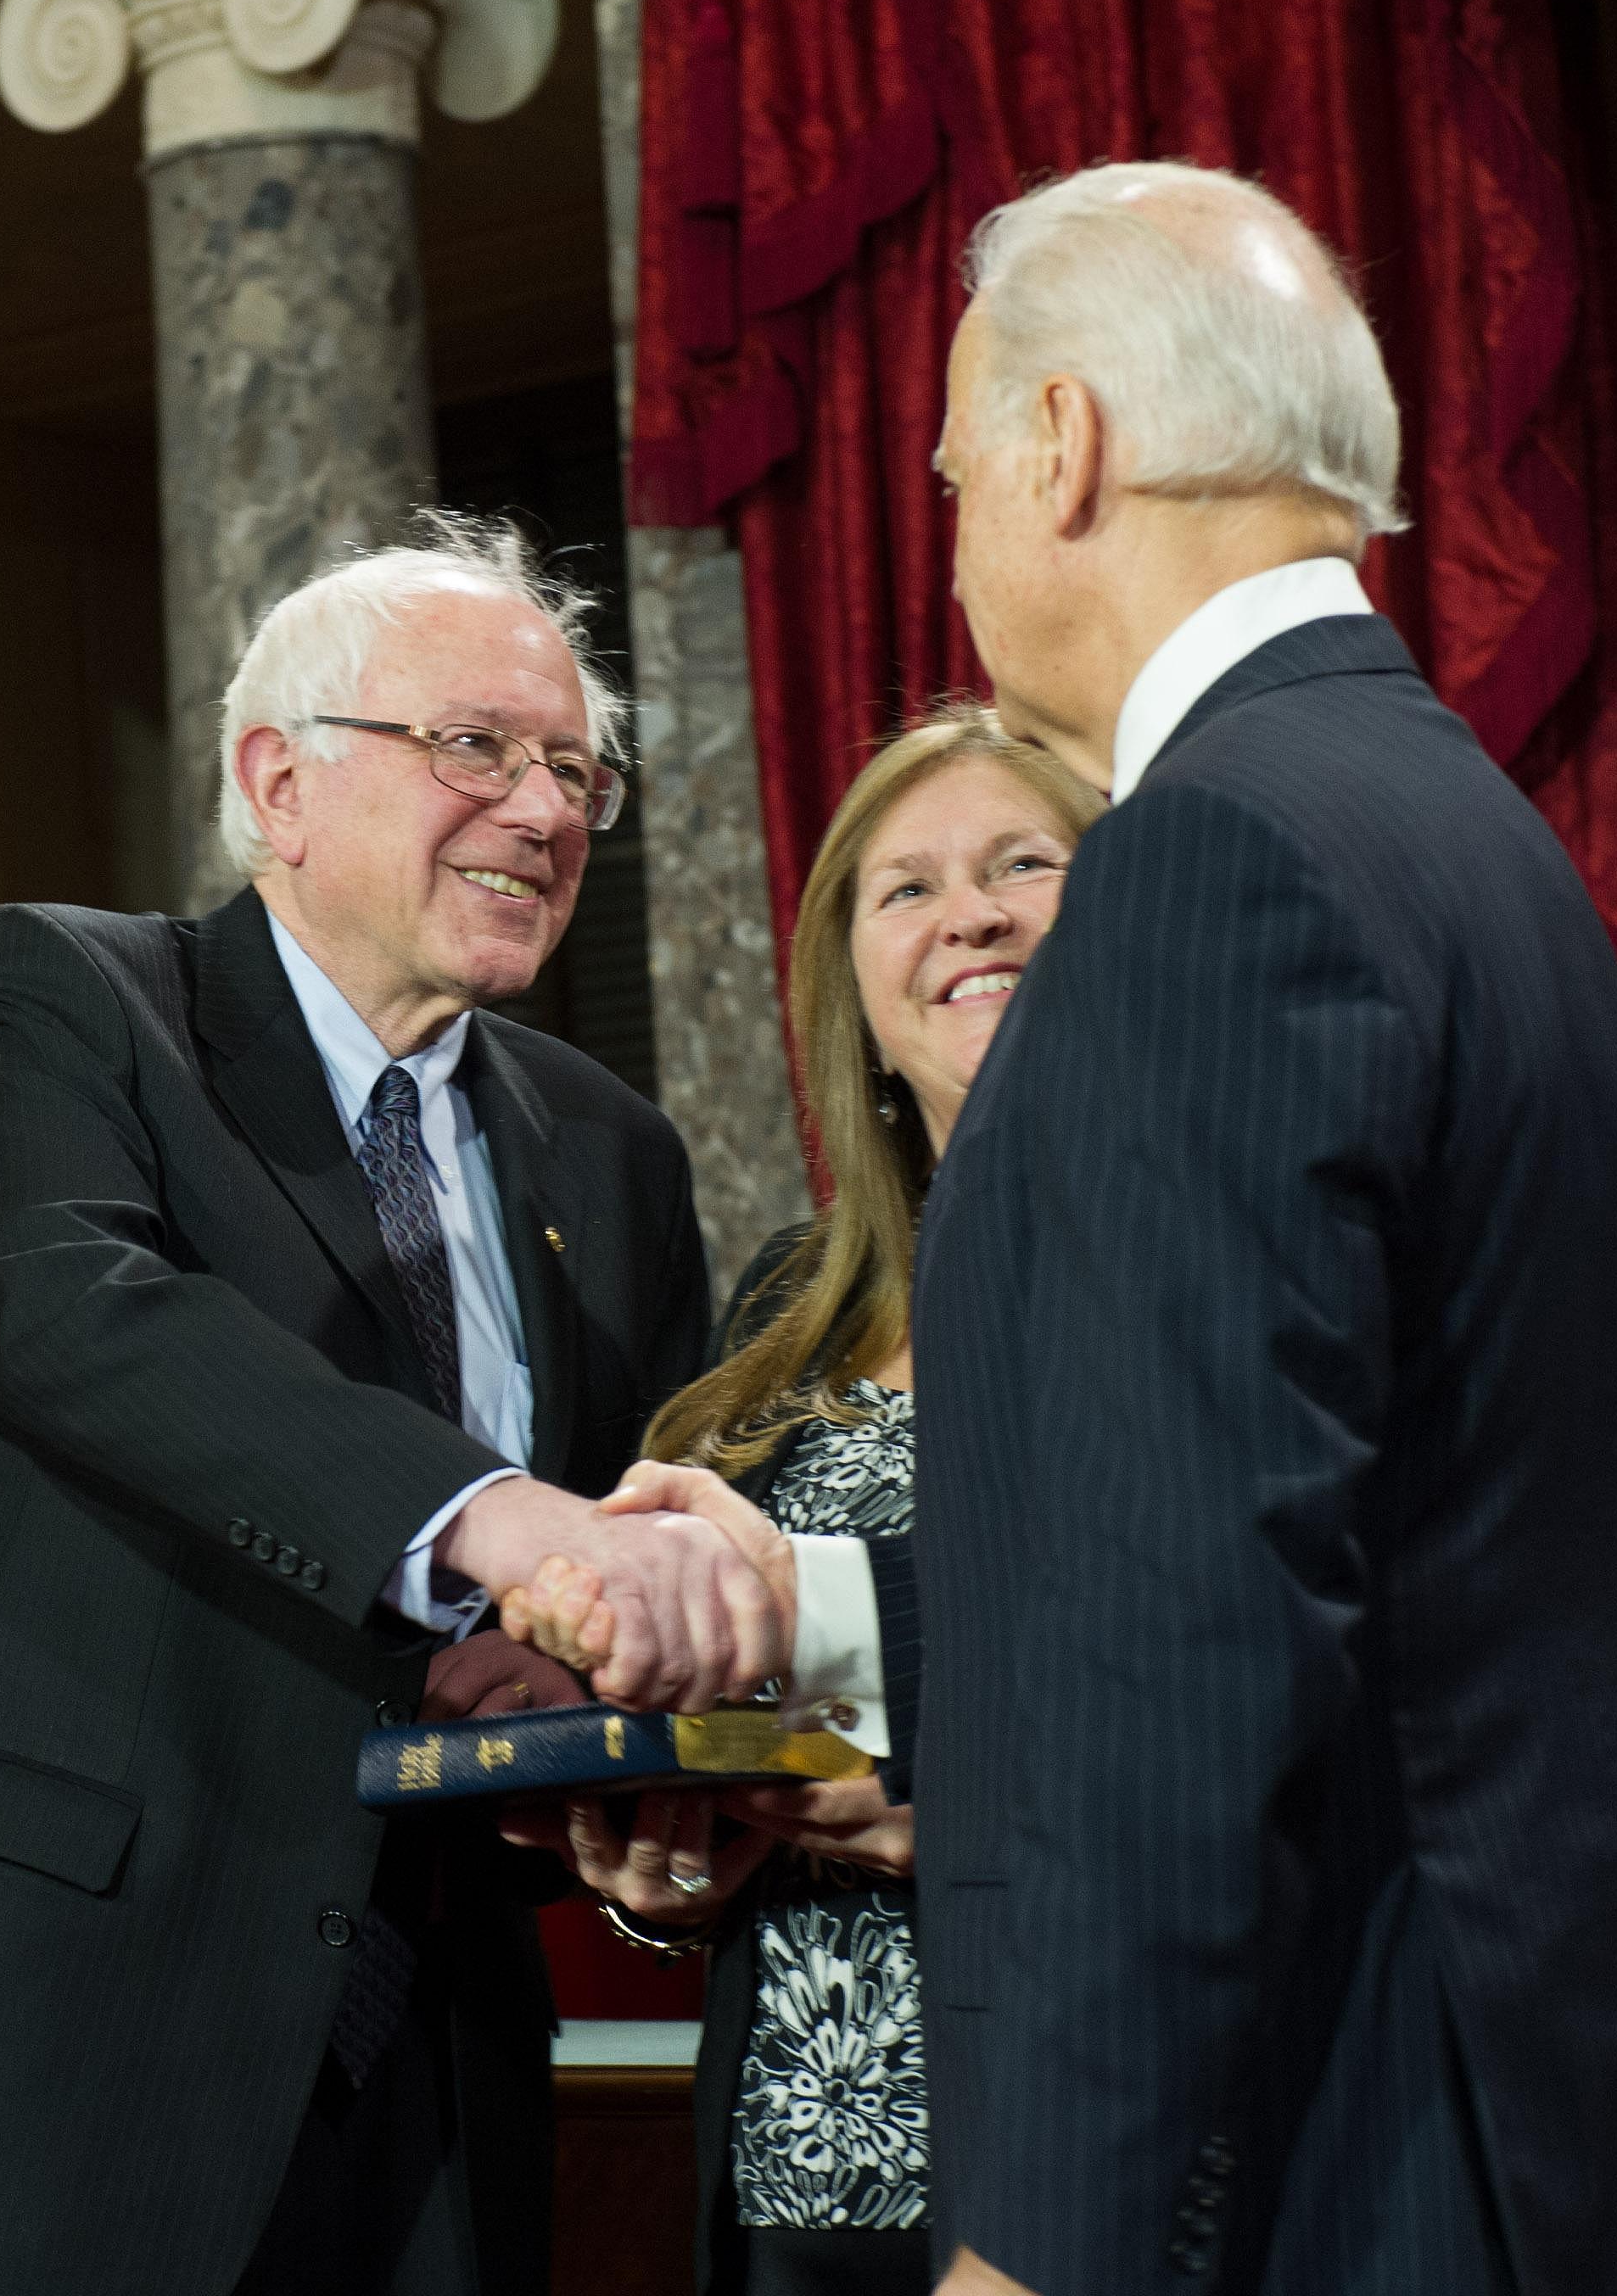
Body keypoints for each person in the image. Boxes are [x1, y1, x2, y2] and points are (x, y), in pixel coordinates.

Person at [541, 162, 1617, 2296]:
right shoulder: (1469, 828)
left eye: (957, 462)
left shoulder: (1211, 864)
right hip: (1520, 2111)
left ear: (1064, 445)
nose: (961, 524)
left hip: (1324, 2146)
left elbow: (1183, 1643)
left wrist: (1039, 2254)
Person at [0, 514, 790, 2296]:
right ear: (279, 781)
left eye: (576, 766)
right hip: (62, 2051)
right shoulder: (65, 1002)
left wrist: (618, 1783)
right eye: (476, 749)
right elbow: (81, 1316)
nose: (544, 809)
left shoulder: (614, 1147)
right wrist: (487, 1525)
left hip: (428, 2086)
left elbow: (605, 1561)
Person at [517, 709, 1101, 2296]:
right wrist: (667, 1870)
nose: (965, 913)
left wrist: (945, 1826)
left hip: (1085, 2149)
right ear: (852, 986)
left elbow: (1182, 1677)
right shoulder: (789, 1298)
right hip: (799, 2162)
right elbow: (752, 1725)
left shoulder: (1192, 1275)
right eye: (901, 890)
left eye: (1022, 865)